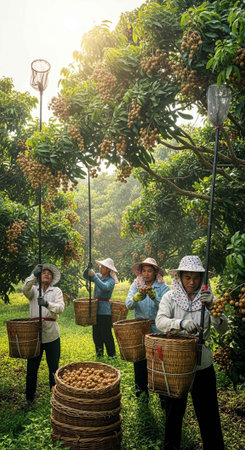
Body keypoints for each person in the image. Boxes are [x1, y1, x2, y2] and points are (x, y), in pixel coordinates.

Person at [155, 255, 228, 450]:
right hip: (176, 365)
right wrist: (180, 324)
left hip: (202, 364)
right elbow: (160, 322)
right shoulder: (170, 297)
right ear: (179, 277)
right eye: (187, 277)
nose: (191, 282)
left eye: (196, 278)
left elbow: (223, 329)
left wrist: (213, 307)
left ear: (202, 279)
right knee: (173, 414)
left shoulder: (208, 299)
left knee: (208, 414)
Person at [125, 257, 169, 402]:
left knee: (158, 362)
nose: (146, 274)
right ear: (140, 272)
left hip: (157, 328)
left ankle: (163, 397)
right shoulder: (136, 285)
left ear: (155, 272)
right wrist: (136, 298)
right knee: (140, 361)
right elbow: (128, 304)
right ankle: (141, 394)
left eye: (149, 271)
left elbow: (168, 308)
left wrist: (154, 297)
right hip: (140, 328)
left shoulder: (163, 287)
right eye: (144, 270)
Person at [22, 263, 64, 403]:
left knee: (53, 366)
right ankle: (29, 397)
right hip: (35, 335)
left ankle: (55, 394)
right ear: (39, 276)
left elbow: (61, 308)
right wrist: (33, 274)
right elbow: (24, 288)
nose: (46, 274)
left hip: (52, 334)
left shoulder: (56, 291)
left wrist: (47, 304)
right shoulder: (33, 290)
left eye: (49, 273)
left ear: (52, 278)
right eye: (43, 272)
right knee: (32, 367)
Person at [83, 258, 118, 358]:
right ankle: (99, 354)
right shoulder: (98, 276)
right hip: (95, 309)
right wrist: (88, 269)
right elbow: (85, 276)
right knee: (96, 334)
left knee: (106, 334)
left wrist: (94, 276)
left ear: (108, 270)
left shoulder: (111, 281)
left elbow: (104, 287)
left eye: (103, 267)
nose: (100, 268)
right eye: (100, 266)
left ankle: (112, 355)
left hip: (104, 311)